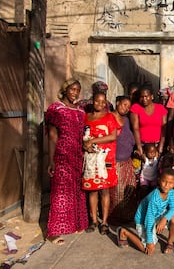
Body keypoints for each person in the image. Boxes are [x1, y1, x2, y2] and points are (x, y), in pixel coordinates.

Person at [45, 78, 88, 245]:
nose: (75, 93)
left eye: (77, 90)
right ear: (65, 90)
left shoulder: (79, 111)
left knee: (76, 191)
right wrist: (51, 160)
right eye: (72, 89)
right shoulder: (56, 109)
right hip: (62, 156)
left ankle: (75, 224)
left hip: (77, 155)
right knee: (60, 192)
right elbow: (53, 136)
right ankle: (53, 232)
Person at [116, 168, 174, 255]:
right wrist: (149, 241)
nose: (167, 185)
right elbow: (148, 220)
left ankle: (170, 242)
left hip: (158, 215)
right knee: (148, 250)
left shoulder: (171, 191)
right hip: (143, 220)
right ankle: (124, 232)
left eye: (170, 183)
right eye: (164, 181)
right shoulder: (154, 198)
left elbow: (173, 208)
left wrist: (164, 219)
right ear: (159, 181)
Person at [82, 92, 119, 235]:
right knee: (92, 190)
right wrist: (85, 144)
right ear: (93, 101)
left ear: (106, 104)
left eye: (103, 102)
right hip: (90, 159)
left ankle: (104, 221)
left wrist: (92, 141)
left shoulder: (110, 117)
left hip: (105, 159)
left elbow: (112, 136)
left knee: (104, 190)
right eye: (97, 101)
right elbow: (82, 135)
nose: (100, 104)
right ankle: (93, 220)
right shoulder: (86, 117)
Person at [109, 96, 137, 224]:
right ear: (117, 103)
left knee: (129, 189)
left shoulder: (126, 120)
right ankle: (114, 217)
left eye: (128, 106)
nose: (126, 108)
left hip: (127, 160)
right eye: (124, 104)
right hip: (115, 161)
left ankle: (126, 216)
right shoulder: (109, 118)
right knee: (117, 192)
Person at [130, 85, 168, 156]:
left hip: (157, 145)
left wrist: (161, 146)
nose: (144, 99)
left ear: (152, 97)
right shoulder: (136, 108)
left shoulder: (160, 108)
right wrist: (139, 147)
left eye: (146, 96)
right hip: (142, 145)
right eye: (142, 97)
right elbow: (135, 128)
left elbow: (164, 128)